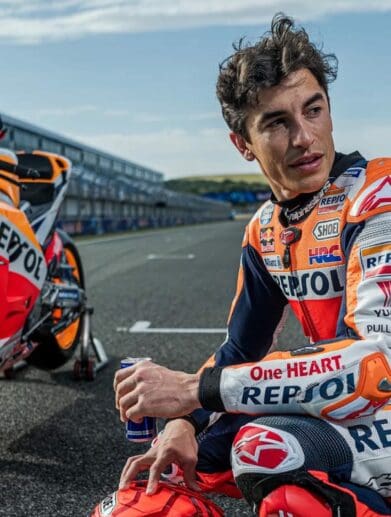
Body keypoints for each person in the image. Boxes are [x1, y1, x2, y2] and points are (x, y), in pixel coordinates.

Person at [114, 13, 391, 517]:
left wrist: (188, 391)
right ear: (243, 144)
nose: (304, 137)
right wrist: (186, 422)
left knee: (263, 451)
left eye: (313, 110)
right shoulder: (264, 228)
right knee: (169, 469)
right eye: (277, 123)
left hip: (380, 401)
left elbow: (374, 368)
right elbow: (241, 347)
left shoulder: (378, 197)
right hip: (333, 408)